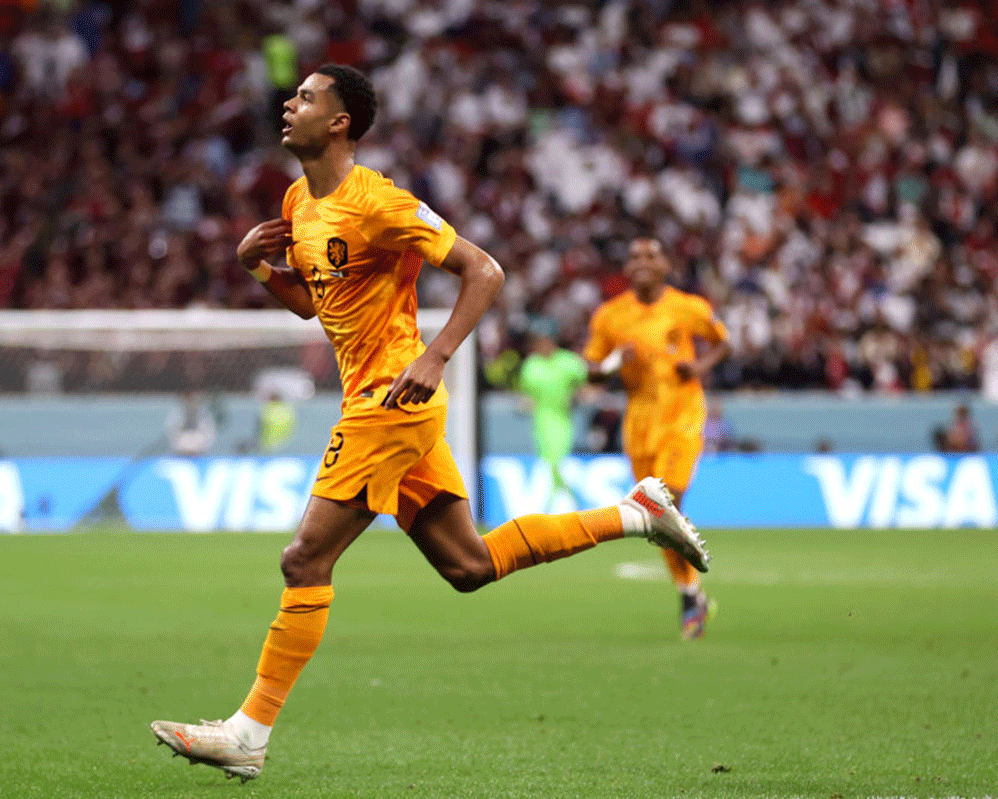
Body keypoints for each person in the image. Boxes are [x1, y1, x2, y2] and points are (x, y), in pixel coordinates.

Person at [150, 65, 709, 782]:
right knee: (468, 566)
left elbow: (485, 270)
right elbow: (314, 306)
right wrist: (259, 269)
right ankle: (634, 513)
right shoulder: (298, 201)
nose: (290, 105)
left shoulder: (378, 202)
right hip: (382, 400)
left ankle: (248, 732)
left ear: (341, 121)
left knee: (303, 559)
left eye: (308, 98)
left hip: (391, 396)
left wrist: (438, 355)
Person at [583, 237, 730, 640]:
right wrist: (616, 362)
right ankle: (691, 594)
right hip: (640, 422)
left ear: (666, 264)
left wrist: (699, 366)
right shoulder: (611, 316)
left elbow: (723, 341)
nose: (642, 261)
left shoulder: (688, 307)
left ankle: (688, 597)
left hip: (682, 415)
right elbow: (592, 369)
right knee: (656, 519)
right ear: (626, 269)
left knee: (666, 503)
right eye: (634, 256)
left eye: (651, 255)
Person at [515, 316, 588, 510]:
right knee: (551, 465)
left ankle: (562, 503)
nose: (540, 344)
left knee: (556, 463)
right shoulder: (531, 366)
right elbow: (528, 397)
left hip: (563, 420)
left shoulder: (570, 362)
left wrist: (578, 396)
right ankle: (566, 503)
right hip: (541, 422)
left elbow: (585, 387)